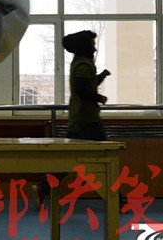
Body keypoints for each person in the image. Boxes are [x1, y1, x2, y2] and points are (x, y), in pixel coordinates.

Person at [31, 30, 111, 208]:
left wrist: (102, 76)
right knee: (107, 158)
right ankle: (117, 199)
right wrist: (99, 98)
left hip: (79, 119)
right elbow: (82, 89)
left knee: (70, 160)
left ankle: (43, 187)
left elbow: (87, 84)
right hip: (87, 120)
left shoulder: (81, 63)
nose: (95, 48)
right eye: (92, 44)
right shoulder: (83, 65)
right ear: (85, 46)